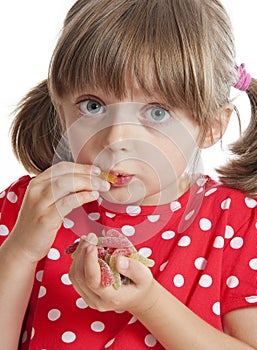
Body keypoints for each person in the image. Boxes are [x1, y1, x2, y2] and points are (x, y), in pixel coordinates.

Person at [0, 0, 257, 349]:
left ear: (212, 126)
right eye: (93, 105)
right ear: (60, 109)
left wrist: (148, 302)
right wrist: (20, 252)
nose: (116, 138)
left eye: (156, 112)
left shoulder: (237, 224)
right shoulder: (27, 209)